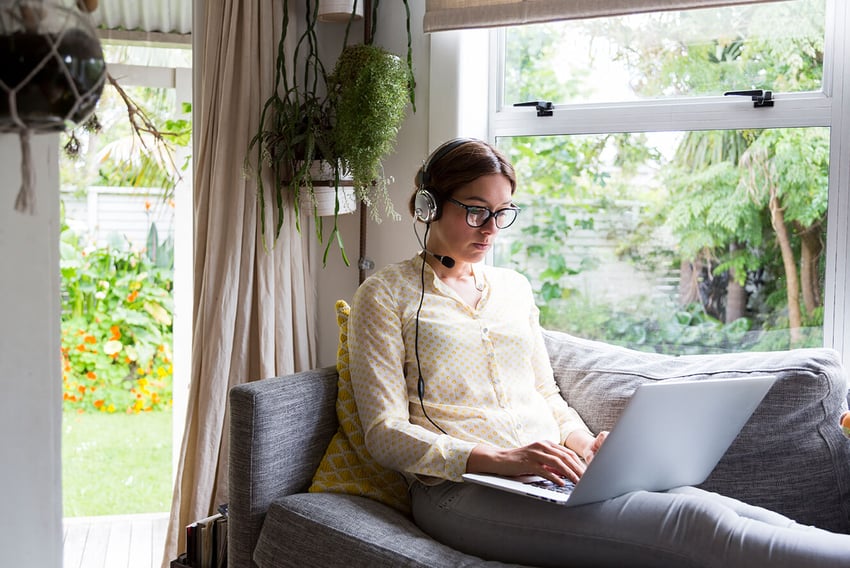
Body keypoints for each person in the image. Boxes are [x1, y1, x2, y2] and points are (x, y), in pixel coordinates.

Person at [347, 137, 850, 567]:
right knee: (693, 523)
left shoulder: (514, 288)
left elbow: (545, 392)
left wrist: (585, 445)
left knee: (707, 504)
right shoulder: (385, 294)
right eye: (476, 210)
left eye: (503, 213)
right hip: (458, 491)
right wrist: (497, 458)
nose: (491, 229)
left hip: (554, 477)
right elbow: (384, 434)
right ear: (429, 206)